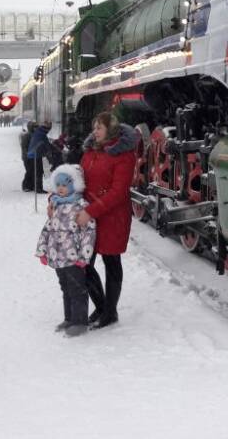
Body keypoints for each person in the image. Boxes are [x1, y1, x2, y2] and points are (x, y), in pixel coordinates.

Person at [77, 112, 137, 328]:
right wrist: (57, 198)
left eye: (99, 127)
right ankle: (102, 307)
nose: (95, 131)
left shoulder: (123, 154)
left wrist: (91, 211)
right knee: (84, 263)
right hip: (91, 215)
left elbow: (119, 191)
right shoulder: (90, 151)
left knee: (111, 261)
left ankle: (110, 312)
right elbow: (77, 179)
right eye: (94, 127)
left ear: (110, 129)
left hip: (113, 216)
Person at [37, 164, 95, 337]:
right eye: (59, 185)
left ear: (74, 185)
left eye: (65, 184)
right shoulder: (55, 204)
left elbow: (88, 233)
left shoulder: (81, 206)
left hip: (74, 257)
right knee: (65, 288)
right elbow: (48, 228)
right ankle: (69, 318)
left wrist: (84, 257)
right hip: (57, 255)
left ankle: (80, 322)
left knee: (77, 288)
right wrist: (43, 250)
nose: (61, 188)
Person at [27, 121, 53, 194]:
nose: (49, 131)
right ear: (47, 129)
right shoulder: (42, 135)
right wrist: (50, 155)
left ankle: (33, 186)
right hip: (35, 155)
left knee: (34, 171)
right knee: (39, 172)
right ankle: (39, 189)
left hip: (31, 155)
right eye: (49, 129)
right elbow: (47, 146)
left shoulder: (38, 132)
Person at [20, 121, 37, 192]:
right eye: (34, 127)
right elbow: (24, 147)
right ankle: (25, 185)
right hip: (27, 157)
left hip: (32, 156)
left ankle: (31, 185)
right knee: (29, 171)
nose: (36, 128)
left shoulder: (34, 135)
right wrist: (26, 155)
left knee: (33, 171)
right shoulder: (27, 136)